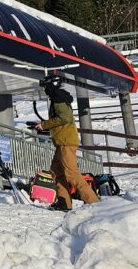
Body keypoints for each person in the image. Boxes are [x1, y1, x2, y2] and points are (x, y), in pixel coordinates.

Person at [36, 75, 100, 211]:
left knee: (71, 173)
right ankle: (64, 202)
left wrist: (45, 125)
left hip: (66, 142)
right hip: (61, 141)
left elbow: (64, 118)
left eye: (46, 86)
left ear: (51, 85)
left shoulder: (58, 98)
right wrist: (44, 126)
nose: (45, 89)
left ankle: (94, 203)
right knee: (56, 171)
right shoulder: (57, 97)